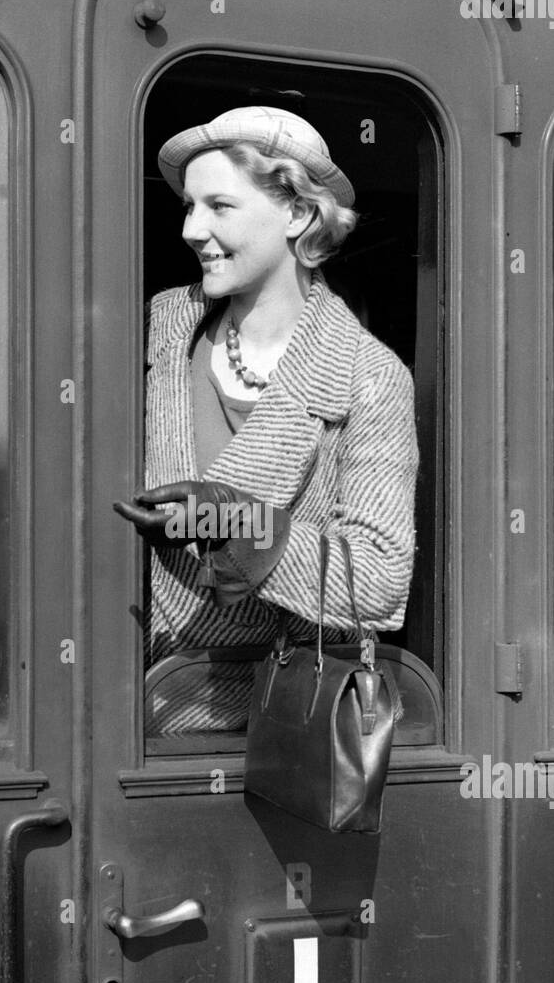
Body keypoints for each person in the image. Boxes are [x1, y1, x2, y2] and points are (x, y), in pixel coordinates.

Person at [114, 106, 419, 735]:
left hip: (265, 724)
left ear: (299, 214)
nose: (192, 230)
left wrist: (241, 527)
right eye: (188, 207)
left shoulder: (369, 376)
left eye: (219, 206)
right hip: (117, 704)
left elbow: (381, 581)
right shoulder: (155, 329)